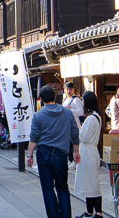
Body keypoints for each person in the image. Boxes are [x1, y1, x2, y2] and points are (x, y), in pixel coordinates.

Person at [26, 85, 81, 218]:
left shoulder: (38, 115)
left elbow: (34, 137)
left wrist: (29, 155)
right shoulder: (67, 113)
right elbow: (75, 133)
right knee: (62, 188)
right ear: (55, 97)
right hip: (61, 154)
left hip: (43, 153)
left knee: (48, 189)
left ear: (41, 99)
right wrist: (76, 151)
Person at [74, 91, 103, 218]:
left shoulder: (91, 118)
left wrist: (79, 128)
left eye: (83, 100)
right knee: (90, 182)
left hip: (88, 152)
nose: (82, 103)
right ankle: (90, 211)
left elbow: (84, 137)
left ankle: (98, 212)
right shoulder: (96, 116)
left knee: (92, 183)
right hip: (91, 151)